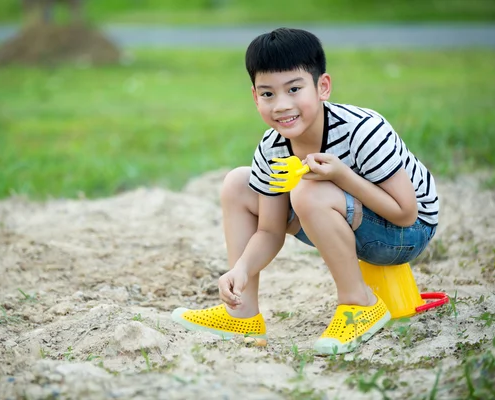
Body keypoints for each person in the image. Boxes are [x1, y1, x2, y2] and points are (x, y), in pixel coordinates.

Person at [171, 27, 438, 354]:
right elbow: (269, 230)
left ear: (322, 87)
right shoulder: (272, 148)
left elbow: (406, 212)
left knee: (307, 192)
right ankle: (241, 314)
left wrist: (342, 175)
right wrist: (239, 269)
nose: (281, 105)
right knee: (239, 184)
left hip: (406, 233)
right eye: (268, 94)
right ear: (255, 96)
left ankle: (360, 303)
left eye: (294, 89)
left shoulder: (363, 130)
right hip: (342, 220)